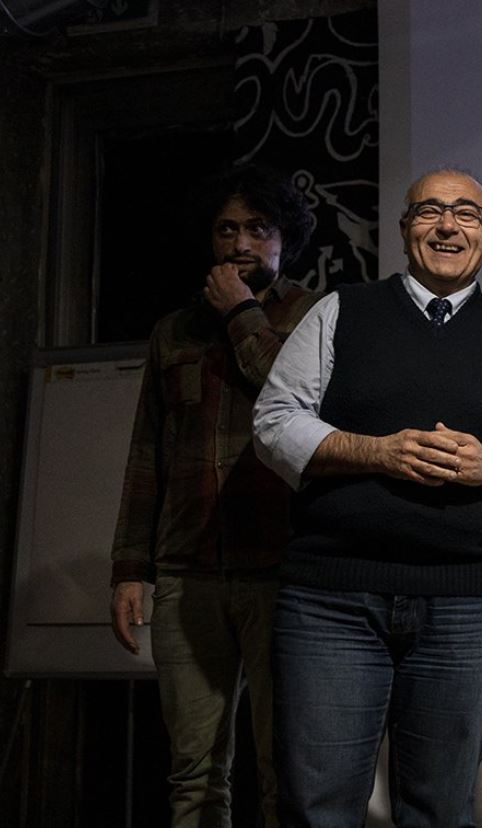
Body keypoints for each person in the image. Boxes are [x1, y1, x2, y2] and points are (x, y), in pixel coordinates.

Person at [252, 168, 482, 827]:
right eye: (429, 211)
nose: (447, 225)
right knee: (317, 809)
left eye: (466, 214)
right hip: (333, 600)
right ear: (404, 230)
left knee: (440, 811)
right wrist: (376, 451)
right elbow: (273, 422)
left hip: (472, 604)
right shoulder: (340, 312)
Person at [110, 164, 319, 828]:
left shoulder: (315, 317)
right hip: (187, 572)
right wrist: (130, 568)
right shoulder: (173, 332)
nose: (240, 243)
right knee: (194, 775)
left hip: (283, 570)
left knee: (286, 771)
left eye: (258, 228)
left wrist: (240, 314)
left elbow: (293, 396)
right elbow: (148, 452)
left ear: (284, 238)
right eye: (227, 229)